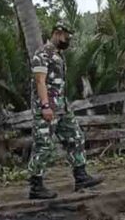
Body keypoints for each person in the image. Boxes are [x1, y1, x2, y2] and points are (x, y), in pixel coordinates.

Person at [27, 22, 103, 199]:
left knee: (75, 137)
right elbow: (40, 82)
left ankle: (81, 176)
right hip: (47, 107)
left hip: (62, 107)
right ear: (57, 33)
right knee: (43, 145)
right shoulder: (42, 55)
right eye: (66, 37)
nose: (68, 40)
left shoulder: (59, 55)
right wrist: (45, 106)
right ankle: (36, 185)